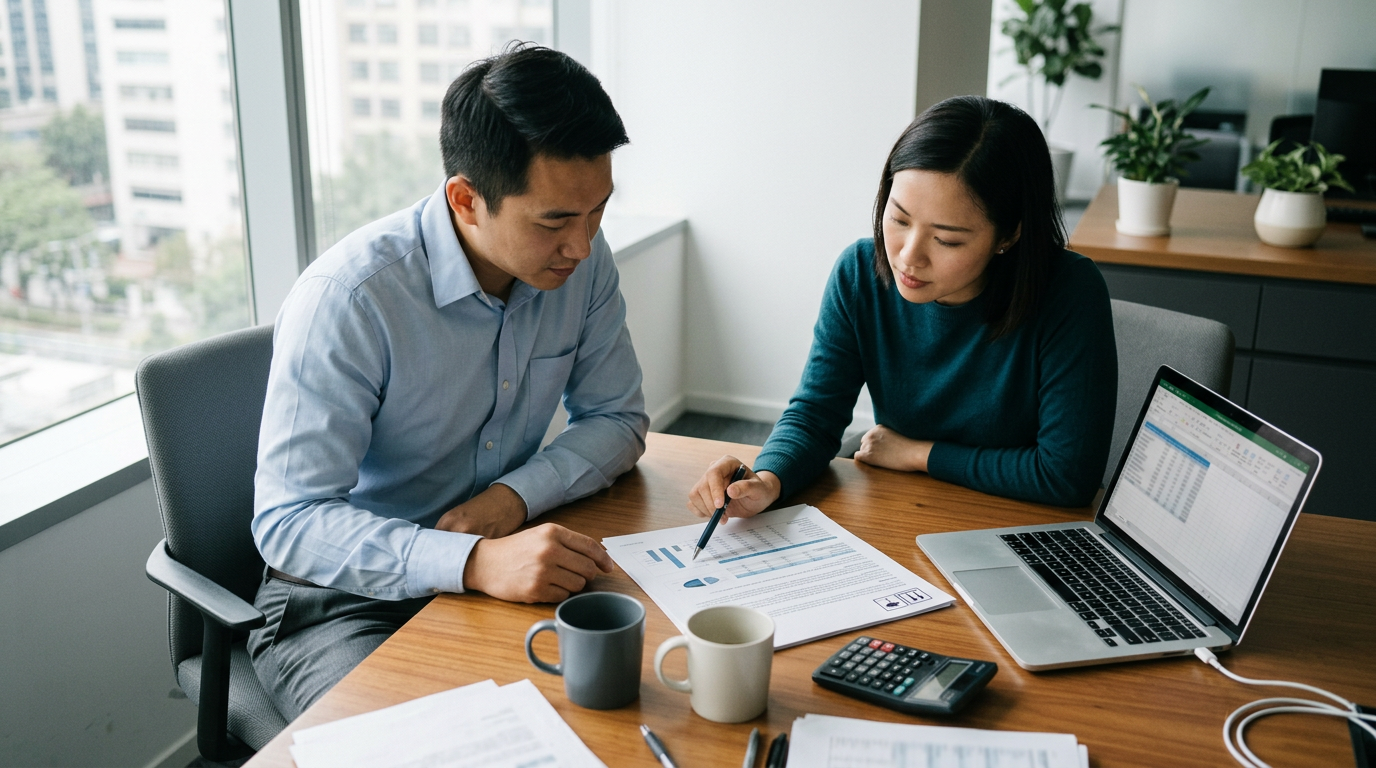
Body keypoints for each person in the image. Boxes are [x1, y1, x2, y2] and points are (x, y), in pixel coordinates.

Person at [249, 45, 648, 720]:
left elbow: (618, 418)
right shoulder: (352, 298)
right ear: (466, 199)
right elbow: (290, 522)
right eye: (554, 221)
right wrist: (470, 562)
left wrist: (512, 499)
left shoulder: (581, 261)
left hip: (503, 557)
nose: (582, 247)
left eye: (598, 212)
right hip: (342, 600)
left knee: (601, 716)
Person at [688, 96, 1116, 522]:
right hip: (900, 508)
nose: (909, 257)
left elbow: (1066, 475)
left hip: (1018, 523)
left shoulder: (1068, 291)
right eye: (899, 218)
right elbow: (817, 412)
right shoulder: (860, 272)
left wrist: (918, 453)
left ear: (1008, 235)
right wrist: (767, 479)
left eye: (946, 240)